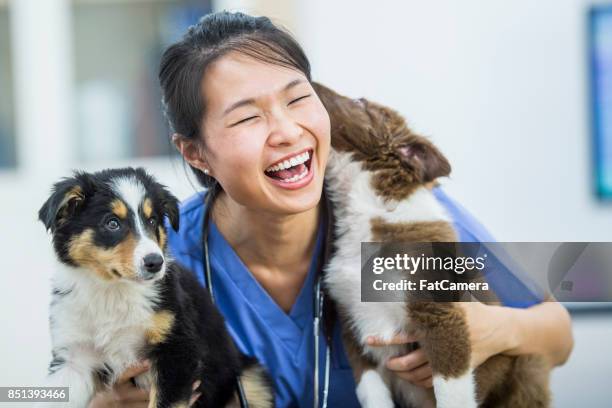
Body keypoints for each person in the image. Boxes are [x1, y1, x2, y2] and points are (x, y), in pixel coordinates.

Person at [89, 11, 573, 407]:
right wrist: (99, 404)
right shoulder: (157, 259)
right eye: (248, 117)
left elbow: (558, 334)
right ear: (195, 153)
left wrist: (494, 330)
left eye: (299, 99)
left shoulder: (392, 221)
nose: (287, 131)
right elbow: (32, 389)